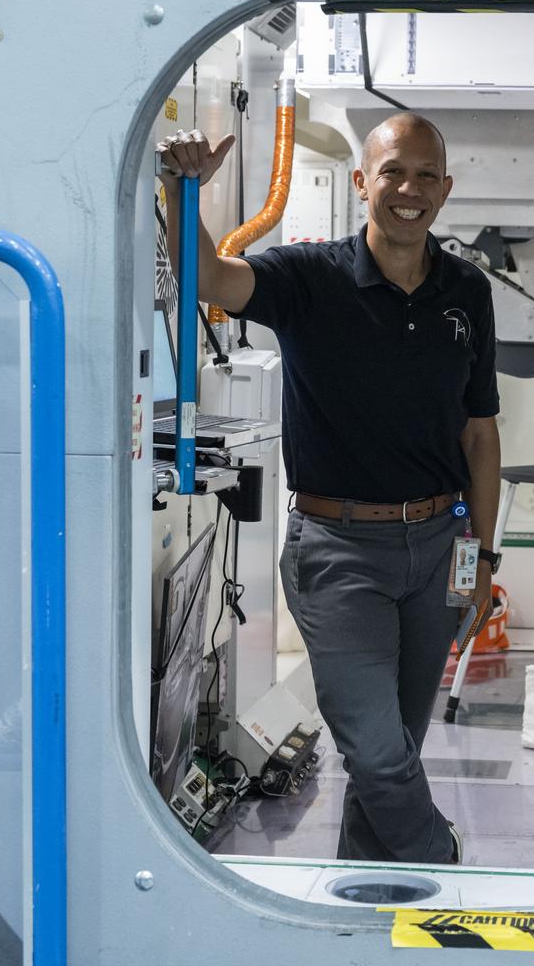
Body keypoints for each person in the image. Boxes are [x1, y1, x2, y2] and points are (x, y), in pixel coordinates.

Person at [157, 112, 501, 865]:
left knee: (396, 751)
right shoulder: (310, 278)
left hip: (441, 546)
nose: (408, 189)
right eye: (392, 172)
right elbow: (210, 279)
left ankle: (367, 906)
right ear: (362, 183)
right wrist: (184, 191)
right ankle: (442, 863)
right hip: (338, 551)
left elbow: (480, 433)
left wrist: (481, 561)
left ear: (445, 190)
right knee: (377, 753)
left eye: (425, 176)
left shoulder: (466, 291)